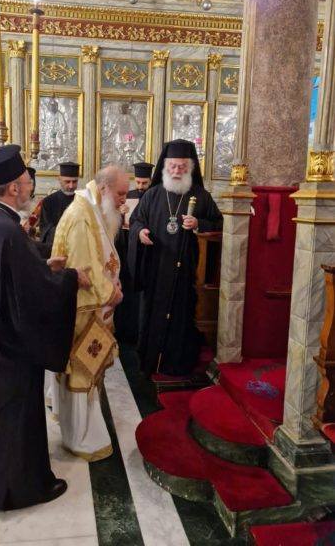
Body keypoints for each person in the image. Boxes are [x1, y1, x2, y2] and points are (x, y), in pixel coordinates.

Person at [0, 145, 91, 512]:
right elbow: (31, 293)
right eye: (28, 181)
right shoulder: (5, 230)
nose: (31, 186)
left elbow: (11, 277)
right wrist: (71, 278)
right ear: (14, 187)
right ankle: (22, 489)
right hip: (8, 348)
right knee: (12, 415)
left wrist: (45, 265)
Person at [51, 165, 129, 461]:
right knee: (82, 370)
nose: (124, 200)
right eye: (121, 194)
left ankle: (80, 429)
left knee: (86, 370)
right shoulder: (83, 215)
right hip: (83, 309)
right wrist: (111, 292)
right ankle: (81, 437)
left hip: (89, 307)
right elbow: (85, 268)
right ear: (104, 188)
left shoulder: (92, 208)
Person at [128, 139, 222, 377]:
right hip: (156, 269)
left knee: (182, 316)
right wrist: (141, 232)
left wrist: (199, 223)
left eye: (182, 166)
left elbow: (220, 224)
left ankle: (178, 364)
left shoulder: (201, 196)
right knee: (152, 314)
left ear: (190, 168)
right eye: (173, 166)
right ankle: (150, 362)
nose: (177, 171)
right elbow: (136, 220)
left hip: (187, 271)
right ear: (165, 167)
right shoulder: (152, 195)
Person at [114, 162, 154, 342]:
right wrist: (119, 213)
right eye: (137, 182)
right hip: (125, 249)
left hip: (145, 251)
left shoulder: (154, 197)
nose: (140, 186)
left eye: (144, 183)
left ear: (150, 181)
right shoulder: (127, 196)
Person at [39, 162, 79, 248]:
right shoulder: (48, 201)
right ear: (59, 179)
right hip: (56, 247)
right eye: (67, 182)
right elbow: (46, 229)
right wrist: (67, 233)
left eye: (74, 182)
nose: (71, 186)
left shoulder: (82, 200)